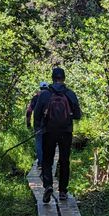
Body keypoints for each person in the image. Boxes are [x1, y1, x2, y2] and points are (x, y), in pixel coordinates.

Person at [34, 66, 82, 204]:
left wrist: (38, 128)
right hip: (66, 132)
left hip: (48, 132)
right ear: (64, 78)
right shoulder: (70, 94)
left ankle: (48, 185)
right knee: (64, 161)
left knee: (47, 161)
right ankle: (62, 192)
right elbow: (78, 115)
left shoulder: (44, 94)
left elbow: (37, 114)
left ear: (52, 78)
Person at [26, 82, 49, 168]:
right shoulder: (51, 97)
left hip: (38, 125)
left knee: (39, 143)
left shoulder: (35, 98)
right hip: (49, 125)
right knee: (47, 143)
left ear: (40, 88)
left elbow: (29, 111)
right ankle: (47, 162)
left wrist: (28, 124)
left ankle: (40, 163)